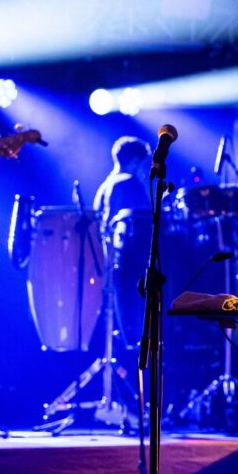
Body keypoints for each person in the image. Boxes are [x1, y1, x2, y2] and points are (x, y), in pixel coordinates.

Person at [93, 136, 152, 346]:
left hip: (109, 264)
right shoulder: (130, 183)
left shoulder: (104, 187)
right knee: (136, 327)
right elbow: (145, 223)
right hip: (130, 263)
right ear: (135, 161)